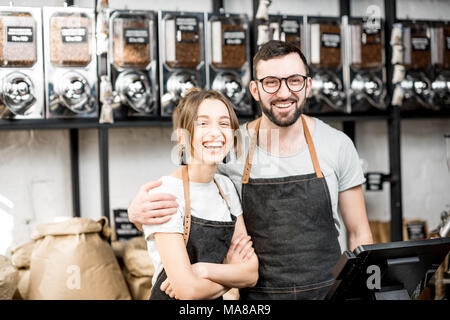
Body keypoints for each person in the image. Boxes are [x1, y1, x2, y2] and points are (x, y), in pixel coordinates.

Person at [129, 40, 373, 300]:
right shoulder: (230, 144)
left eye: (294, 80)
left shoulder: (337, 145)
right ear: (255, 90)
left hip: (328, 293)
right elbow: (193, 187)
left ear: (307, 85)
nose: (283, 92)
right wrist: (136, 215)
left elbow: (359, 233)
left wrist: (369, 292)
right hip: (258, 299)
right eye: (271, 82)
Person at [144, 88, 258, 300]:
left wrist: (202, 270)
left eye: (224, 123)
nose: (215, 132)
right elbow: (188, 292)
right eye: (203, 123)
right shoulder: (166, 193)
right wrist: (229, 276)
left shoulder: (226, 189)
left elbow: (250, 274)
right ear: (182, 136)